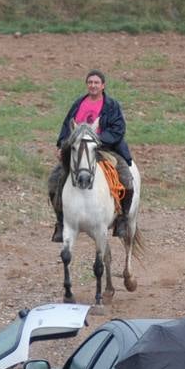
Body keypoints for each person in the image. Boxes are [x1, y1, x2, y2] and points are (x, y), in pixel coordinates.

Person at [49, 70, 135, 242]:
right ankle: (60, 222)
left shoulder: (111, 106)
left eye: (97, 83)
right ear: (87, 84)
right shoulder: (78, 103)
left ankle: (122, 219)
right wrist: (61, 145)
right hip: (78, 148)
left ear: (103, 86)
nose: (93, 85)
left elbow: (118, 129)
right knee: (54, 179)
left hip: (104, 148)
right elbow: (67, 126)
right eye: (90, 82)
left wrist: (97, 140)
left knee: (125, 175)